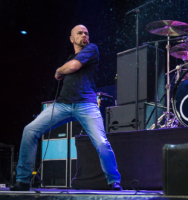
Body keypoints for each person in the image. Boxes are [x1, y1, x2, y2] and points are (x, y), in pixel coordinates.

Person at [10, 25, 122, 191]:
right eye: (80, 33)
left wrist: (58, 70)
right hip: (62, 104)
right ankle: (23, 180)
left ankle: (114, 181)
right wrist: (63, 70)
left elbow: (72, 67)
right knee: (30, 130)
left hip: (86, 104)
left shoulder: (91, 49)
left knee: (101, 143)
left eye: (86, 33)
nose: (84, 35)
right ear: (72, 39)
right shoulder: (71, 57)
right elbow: (70, 66)